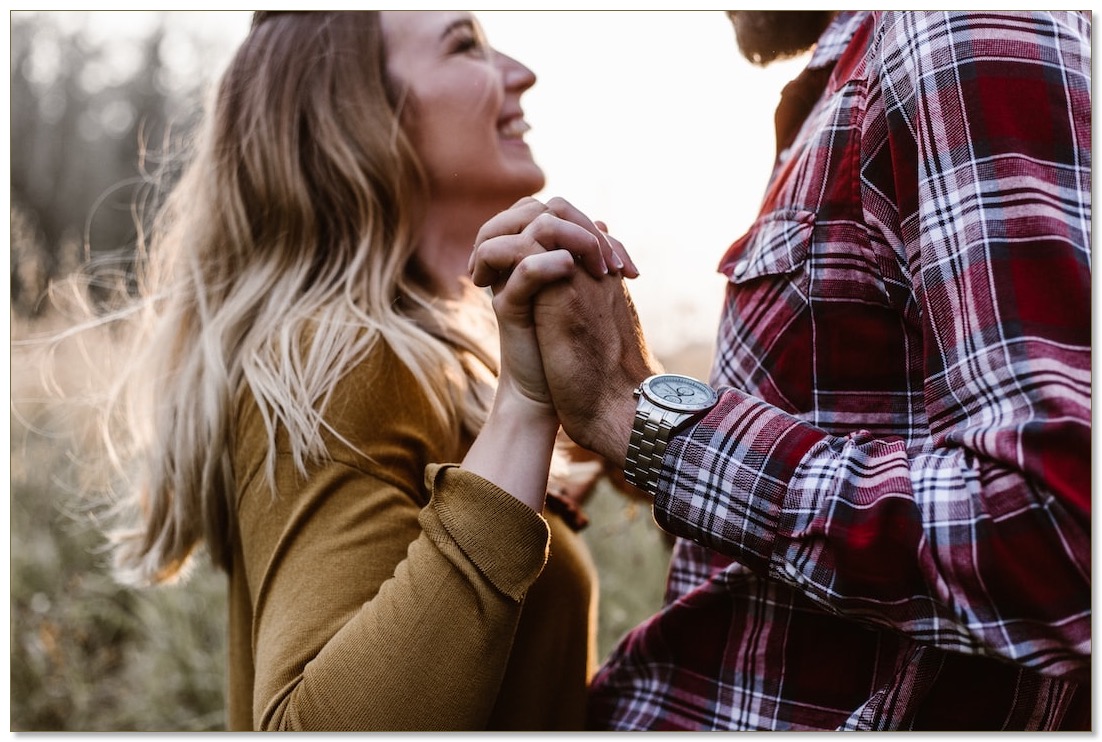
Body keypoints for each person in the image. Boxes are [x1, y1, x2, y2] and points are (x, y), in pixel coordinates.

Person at [471, 10, 1091, 731]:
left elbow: (1055, 531)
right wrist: (633, 412)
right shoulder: (865, 75)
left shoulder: (959, 34)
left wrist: (636, 413)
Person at [58, 10, 636, 731]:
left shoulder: (429, 363)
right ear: (358, 115)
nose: (520, 72)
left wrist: (625, 401)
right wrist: (524, 408)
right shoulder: (339, 359)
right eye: (465, 44)